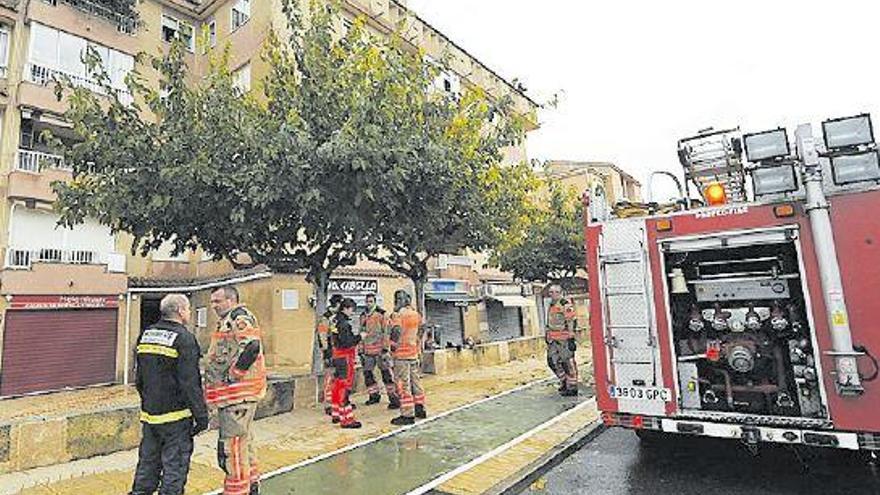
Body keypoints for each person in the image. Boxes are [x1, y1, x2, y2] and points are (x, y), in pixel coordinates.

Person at [130, 294, 208, 495]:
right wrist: (201, 417)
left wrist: (149, 403)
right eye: (189, 310)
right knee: (174, 468)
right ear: (181, 312)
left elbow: (139, 378)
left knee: (147, 466)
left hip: (150, 416)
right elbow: (190, 383)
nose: (189, 314)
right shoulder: (185, 339)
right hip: (176, 418)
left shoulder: (145, 334)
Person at [205, 286, 267, 495]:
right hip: (236, 396)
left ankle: (237, 490)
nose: (213, 306)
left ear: (231, 300)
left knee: (231, 448)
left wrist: (234, 375)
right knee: (244, 441)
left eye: (217, 301)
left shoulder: (239, 318)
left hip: (238, 396)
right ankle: (251, 485)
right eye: (212, 302)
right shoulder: (228, 320)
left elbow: (252, 347)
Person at [389, 289, 426, 426]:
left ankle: (407, 414)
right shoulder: (416, 314)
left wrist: (392, 347)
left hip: (401, 355)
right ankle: (420, 407)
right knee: (415, 382)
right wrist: (417, 343)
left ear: (399, 300)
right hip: (413, 353)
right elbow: (422, 328)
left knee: (403, 384)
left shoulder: (398, 315)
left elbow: (396, 331)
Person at [359, 293, 400, 408]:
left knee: (386, 375)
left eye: (371, 301)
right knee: (368, 374)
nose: (368, 303)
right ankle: (374, 396)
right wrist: (360, 350)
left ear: (375, 302)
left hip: (380, 350)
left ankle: (393, 398)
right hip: (367, 351)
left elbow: (386, 332)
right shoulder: (363, 315)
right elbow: (361, 332)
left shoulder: (382, 315)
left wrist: (385, 349)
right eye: (367, 301)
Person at [330, 298, 362, 428]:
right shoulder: (343, 324)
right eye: (351, 310)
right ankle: (347, 419)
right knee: (344, 386)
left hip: (337, 356)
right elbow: (347, 342)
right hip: (345, 357)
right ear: (346, 308)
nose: (352, 313)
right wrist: (359, 337)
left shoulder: (335, 320)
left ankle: (336, 413)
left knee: (337, 385)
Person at [545, 284, 579, 396]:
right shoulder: (551, 304)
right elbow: (549, 322)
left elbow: (571, 320)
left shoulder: (565, 304)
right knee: (552, 361)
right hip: (553, 340)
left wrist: (571, 337)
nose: (551, 294)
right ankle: (564, 380)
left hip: (564, 339)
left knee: (567, 363)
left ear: (559, 293)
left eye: (554, 292)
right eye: (550, 292)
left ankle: (572, 387)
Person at [317, 294, 343, 416]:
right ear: (337, 304)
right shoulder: (326, 318)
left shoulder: (336, 317)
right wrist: (326, 353)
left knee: (338, 379)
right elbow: (322, 336)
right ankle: (328, 404)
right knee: (329, 379)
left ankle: (338, 401)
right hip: (330, 353)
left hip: (338, 352)